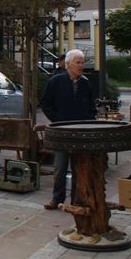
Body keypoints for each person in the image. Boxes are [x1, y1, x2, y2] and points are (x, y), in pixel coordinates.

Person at [39, 49, 97, 210]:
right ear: (68, 64)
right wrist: (56, 120)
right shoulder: (56, 81)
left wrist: (88, 122)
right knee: (60, 168)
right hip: (62, 132)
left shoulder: (85, 84)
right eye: (78, 62)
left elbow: (92, 107)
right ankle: (57, 199)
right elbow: (45, 103)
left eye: (82, 62)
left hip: (80, 133)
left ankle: (77, 200)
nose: (81, 66)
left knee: (79, 168)